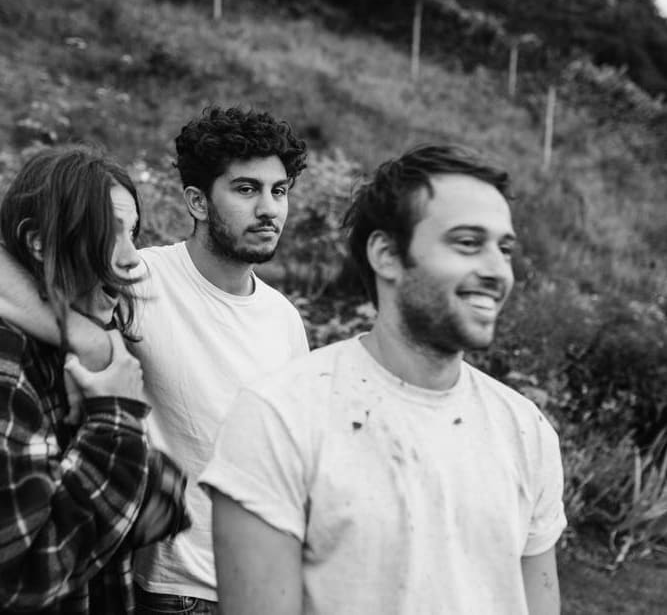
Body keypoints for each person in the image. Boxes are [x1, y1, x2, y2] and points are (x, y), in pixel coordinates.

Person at [199, 144, 567, 615]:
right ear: (387, 254)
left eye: (505, 248)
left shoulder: (525, 429)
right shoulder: (280, 418)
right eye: (467, 243)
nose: (498, 270)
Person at [0, 106, 310, 614]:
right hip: (174, 588)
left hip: (260, 585)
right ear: (197, 201)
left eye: (279, 191)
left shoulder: (285, 318)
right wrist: (89, 339)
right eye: (246, 189)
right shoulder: (138, 277)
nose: (269, 209)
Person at [0, 146, 189, 614]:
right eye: (109, 232)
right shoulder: (8, 363)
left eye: (133, 233)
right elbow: (22, 579)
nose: (132, 259)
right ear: (38, 243)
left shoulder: (74, 350)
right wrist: (115, 418)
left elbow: (157, 507)